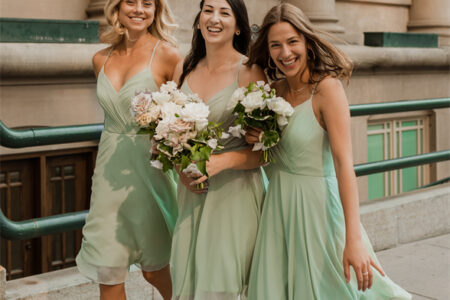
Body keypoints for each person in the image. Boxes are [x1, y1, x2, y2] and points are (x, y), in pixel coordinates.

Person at [245, 3, 412, 300]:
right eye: (276, 45)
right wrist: (257, 138)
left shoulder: (327, 90)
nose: (285, 53)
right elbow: (271, 154)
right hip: (277, 211)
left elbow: (344, 165)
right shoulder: (273, 92)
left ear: (307, 42)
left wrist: (354, 239)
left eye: (293, 41)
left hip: (319, 212)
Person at [75, 0, 181, 299]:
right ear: (117, 9)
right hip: (109, 169)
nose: (139, 9)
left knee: (155, 268)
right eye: (130, 2)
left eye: (148, 3)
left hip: (151, 170)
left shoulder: (168, 55)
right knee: (108, 270)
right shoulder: (100, 59)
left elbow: (184, 115)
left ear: (156, 10)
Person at [169, 0, 267, 298]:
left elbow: (267, 150)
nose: (214, 18)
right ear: (199, 20)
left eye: (225, 13)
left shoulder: (250, 71)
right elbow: (168, 137)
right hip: (190, 197)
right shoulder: (183, 68)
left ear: (238, 26)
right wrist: (180, 171)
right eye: (208, 10)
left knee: (220, 287)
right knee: (186, 282)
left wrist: (220, 163)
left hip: (234, 196)